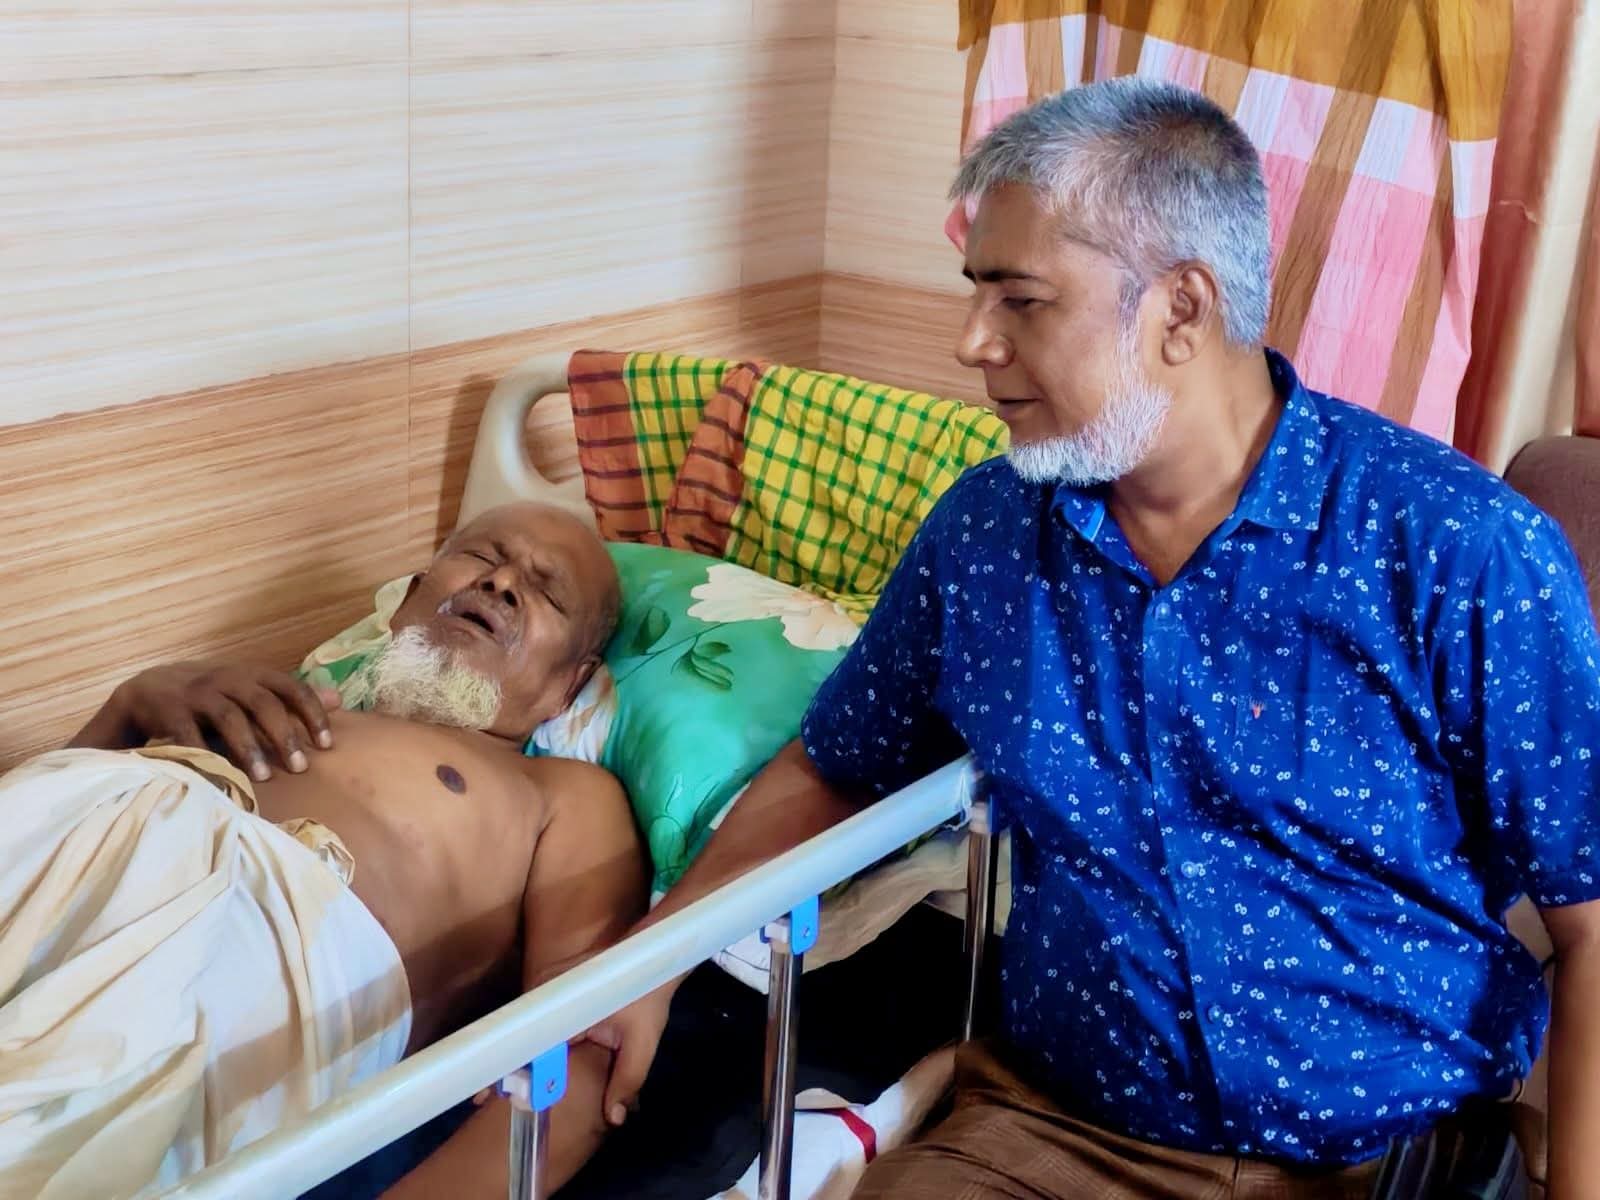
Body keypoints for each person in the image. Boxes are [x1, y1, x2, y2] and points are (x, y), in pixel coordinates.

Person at [578, 78, 1600, 1198]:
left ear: (1181, 310)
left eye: (1020, 300)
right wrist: (650, 961)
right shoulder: (987, 537)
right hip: (1066, 1131)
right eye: (976, 293)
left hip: (1391, 1152)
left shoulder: (1458, 550)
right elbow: (834, 763)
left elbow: (1591, 921)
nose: (971, 342)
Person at [0, 502, 645, 1199]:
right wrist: (124, 708)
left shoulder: (560, 793)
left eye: (547, 592)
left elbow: (581, 1046)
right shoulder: (269, 699)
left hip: (255, 927)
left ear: (569, 685)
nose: (501, 583)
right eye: (484, 556)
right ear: (407, 601)